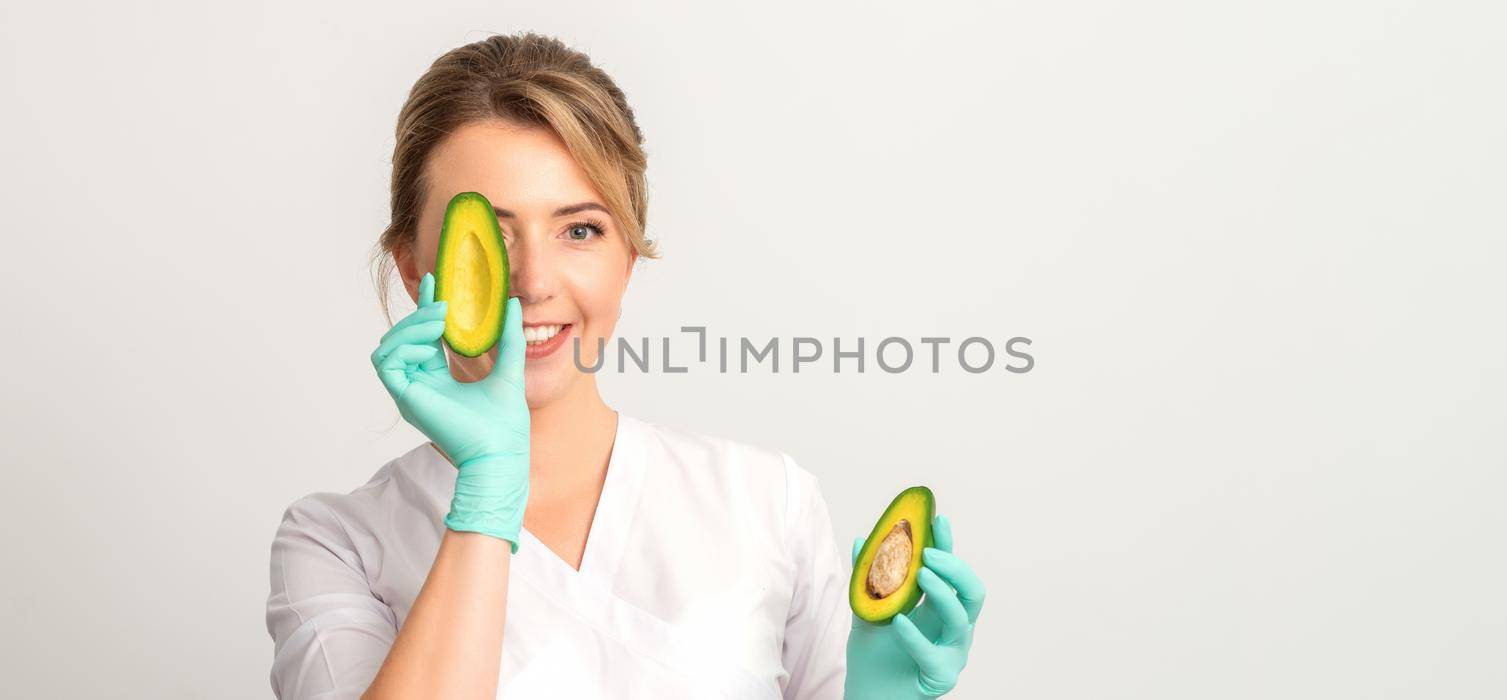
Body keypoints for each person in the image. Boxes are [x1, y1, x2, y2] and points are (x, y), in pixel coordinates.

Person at [264, 32, 986, 699]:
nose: (534, 281)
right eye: (487, 233)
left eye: (580, 229)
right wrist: (486, 493)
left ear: (629, 258)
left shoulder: (770, 501)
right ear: (414, 266)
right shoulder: (337, 545)